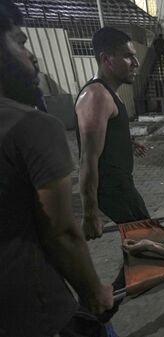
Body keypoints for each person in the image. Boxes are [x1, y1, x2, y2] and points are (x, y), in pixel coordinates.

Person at [0, 1, 113, 336]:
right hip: (36, 311)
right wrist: (94, 292)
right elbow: (61, 231)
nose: (33, 55)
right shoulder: (30, 125)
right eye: (20, 42)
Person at [75, 27, 150, 240]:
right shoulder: (96, 96)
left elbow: (108, 133)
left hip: (121, 186)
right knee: (149, 247)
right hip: (113, 192)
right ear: (106, 59)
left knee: (143, 251)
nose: (136, 63)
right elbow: (87, 160)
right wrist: (89, 215)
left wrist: (129, 142)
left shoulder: (107, 94)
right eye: (128, 57)